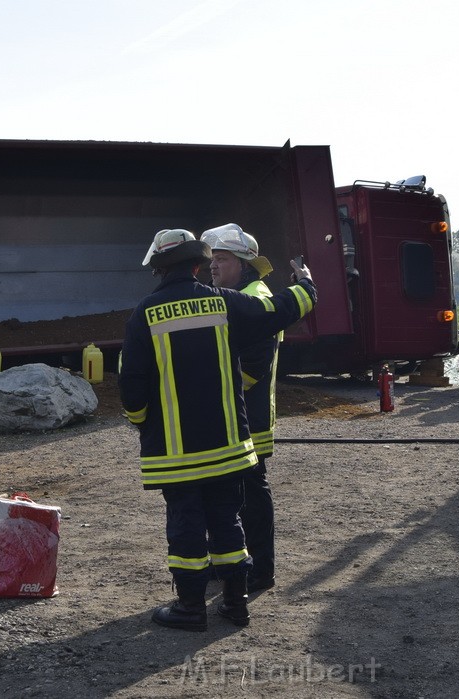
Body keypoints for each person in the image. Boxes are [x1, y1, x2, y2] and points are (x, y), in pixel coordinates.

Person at [118, 228, 316, 632]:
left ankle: (191, 608)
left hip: (177, 452)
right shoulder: (224, 304)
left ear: (158, 269)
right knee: (228, 520)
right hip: (228, 446)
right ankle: (236, 604)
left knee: (186, 524)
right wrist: (308, 285)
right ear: (197, 264)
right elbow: (279, 310)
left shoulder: (144, 313)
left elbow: (131, 385)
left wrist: (142, 422)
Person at [200, 223, 279, 593]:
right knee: (226, 495)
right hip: (234, 415)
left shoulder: (256, 298)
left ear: (244, 263)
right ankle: (231, 563)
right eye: (212, 259)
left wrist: (210, 396)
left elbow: (252, 367)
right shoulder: (234, 295)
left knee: (250, 495)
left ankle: (260, 570)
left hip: (249, 418)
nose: (213, 266)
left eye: (222, 259)